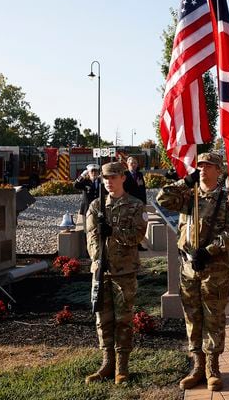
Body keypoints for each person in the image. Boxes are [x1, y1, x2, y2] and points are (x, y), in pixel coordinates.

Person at [156, 152, 229, 391]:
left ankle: (212, 368)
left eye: (208, 166)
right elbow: (162, 199)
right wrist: (185, 181)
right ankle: (197, 366)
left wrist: (208, 251)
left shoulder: (227, 199)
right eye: (201, 166)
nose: (203, 169)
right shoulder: (188, 195)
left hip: (214, 268)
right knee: (192, 318)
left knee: (213, 317)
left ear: (219, 170)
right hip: (188, 268)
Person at [85, 162, 147, 385]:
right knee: (103, 320)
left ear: (123, 177)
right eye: (105, 178)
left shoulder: (135, 205)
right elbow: (91, 237)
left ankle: (122, 366)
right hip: (102, 271)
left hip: (124, 271)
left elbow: (138, 235)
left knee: (123, 320)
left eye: (113, 177)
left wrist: (115, 232)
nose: (109, 182)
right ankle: (107, 364)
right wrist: (97, 258)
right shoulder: (95, 206)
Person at [123, 156, 148, 251]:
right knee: (129, 225)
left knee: (139, 224)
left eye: (135, 163)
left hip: (140, 204)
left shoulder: (139, 174)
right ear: (127, 164)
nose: (133, 165)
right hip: (129, 203)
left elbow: (142, 189)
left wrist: (144, 202)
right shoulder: (125, 175)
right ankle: (130, 245)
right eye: (131, 163)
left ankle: (138, 244)